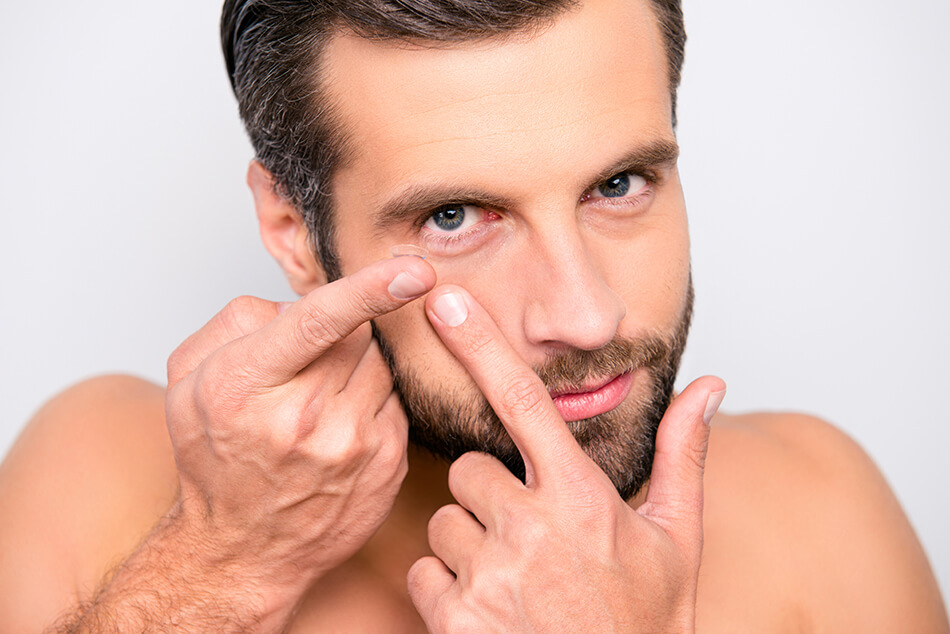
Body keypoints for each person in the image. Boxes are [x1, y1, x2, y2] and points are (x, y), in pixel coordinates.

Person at [0, 0, 946, 631]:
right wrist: (212, 571)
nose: (585, 315)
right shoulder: (100, 486)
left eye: (619, 184)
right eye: (456, 217)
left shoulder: (826, 516)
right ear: (293, 230)